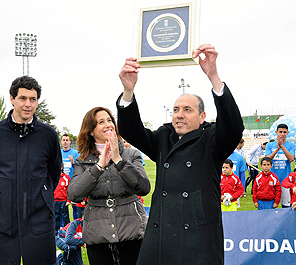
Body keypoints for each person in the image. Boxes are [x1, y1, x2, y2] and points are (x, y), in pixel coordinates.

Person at [116, 44, 244, 265]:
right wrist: (128, 91)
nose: (179, 115)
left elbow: (233, 127)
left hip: (198, 240)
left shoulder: (211, 140)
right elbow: (130, 131)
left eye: (187, 110)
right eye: (176, 110)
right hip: (161, 238)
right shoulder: (163, 138)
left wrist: (213, 76)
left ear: (202, 116)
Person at [0, 76, 62, 265]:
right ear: (12, 99)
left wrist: (41, 194)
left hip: (39, 221)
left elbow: (54, 173)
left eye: (33, 99)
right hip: (2, 220)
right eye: (22, 98)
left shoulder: (48, 135)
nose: (28, 104)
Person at [67, 106, 150, 265]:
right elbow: (74, 194)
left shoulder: (131, 154)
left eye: (110, 120)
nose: (108, 124)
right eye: (101, 122)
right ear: (91, 130)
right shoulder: (81, 160)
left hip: (132, 232)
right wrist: (99, 167)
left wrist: (119, 160)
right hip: (98, 235)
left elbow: (144, 187)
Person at [266, 124, 296, 208]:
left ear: (288, 133)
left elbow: (291, 159)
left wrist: (282, 146)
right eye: (280, 132)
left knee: (286, 206)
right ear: (276, 132)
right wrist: (277, 149)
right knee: (270, 205)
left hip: (285, 181)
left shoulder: (292, 146)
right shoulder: (269, 145)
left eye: (284, 132)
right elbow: (267, 159)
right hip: (271, 180)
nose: (282, 134)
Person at [61, 133, 80, 219]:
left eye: (67, 140)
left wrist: (72, 162)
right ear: (61, 142)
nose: (65, 142)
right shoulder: (58, 153)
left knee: (74, 204)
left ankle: (75, 224)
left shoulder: (75, 153)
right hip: (61, 185)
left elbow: (79, 168)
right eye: (64, 140)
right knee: (61, 206)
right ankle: (63, 227)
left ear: (70, 142)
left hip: (72, 183)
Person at [54, 164, 71, 233]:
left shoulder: (66, 177)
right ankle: (56, 233)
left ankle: (67, 231)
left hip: (64, 201)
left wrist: (68, 200)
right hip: (55, 200)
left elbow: (68, 190)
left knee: (65, 217)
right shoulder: (54, 177)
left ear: (62, 167)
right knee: (56, 217)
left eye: (60, 166)